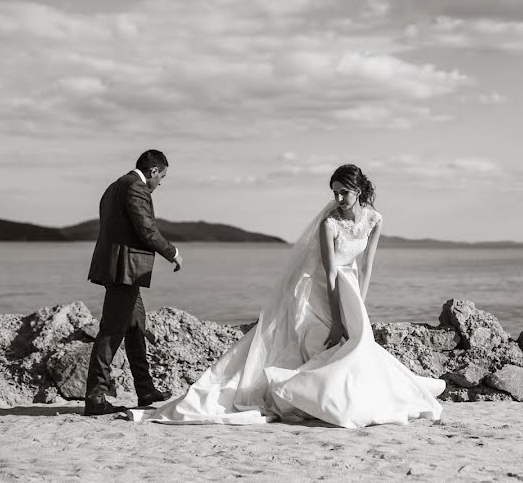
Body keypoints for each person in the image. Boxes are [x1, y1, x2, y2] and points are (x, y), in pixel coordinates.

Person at [134, 164, 444, 428]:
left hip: (351, 288)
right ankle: (310, 396)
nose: (337, 198)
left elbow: (367, 266)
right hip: (323, 288)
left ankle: (352, 396)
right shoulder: (329, 224)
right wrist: (337, 320)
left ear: (358, 191)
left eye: (343, 193)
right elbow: (331, 272)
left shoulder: (374, 219)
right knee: (326, 340)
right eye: (334, 192)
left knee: (360, 341)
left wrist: (360, 305)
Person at [84, 149, 184, 416]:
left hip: (120, 268)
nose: (160, 183)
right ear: (153, 171)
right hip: (123, 271)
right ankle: (95, 398)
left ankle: (145, 388)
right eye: (161, 177)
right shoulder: (135, 188)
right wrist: (171, 252)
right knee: (111, 331)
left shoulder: (114, 187)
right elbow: (146, 228)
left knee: (136, 325)